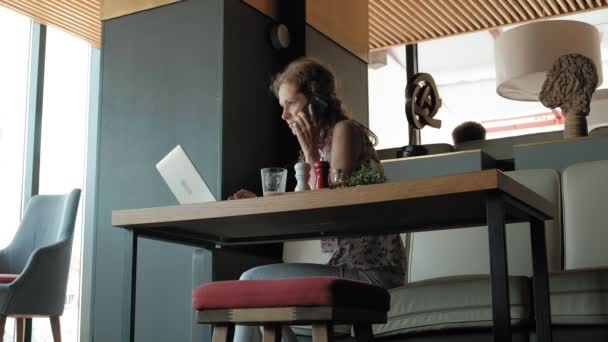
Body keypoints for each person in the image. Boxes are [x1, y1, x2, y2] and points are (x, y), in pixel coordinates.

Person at [229, 57, 407, 342]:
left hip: (373, 272)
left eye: (290, 103)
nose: (284, 115)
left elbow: (330, 200)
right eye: (282, 106)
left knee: (251, 281)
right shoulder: (320, 143)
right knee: (256, 294)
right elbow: (309, 202)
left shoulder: (344, 131)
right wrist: (261, 201)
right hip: (345, 265)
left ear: (316, 101)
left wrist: (311, 155)